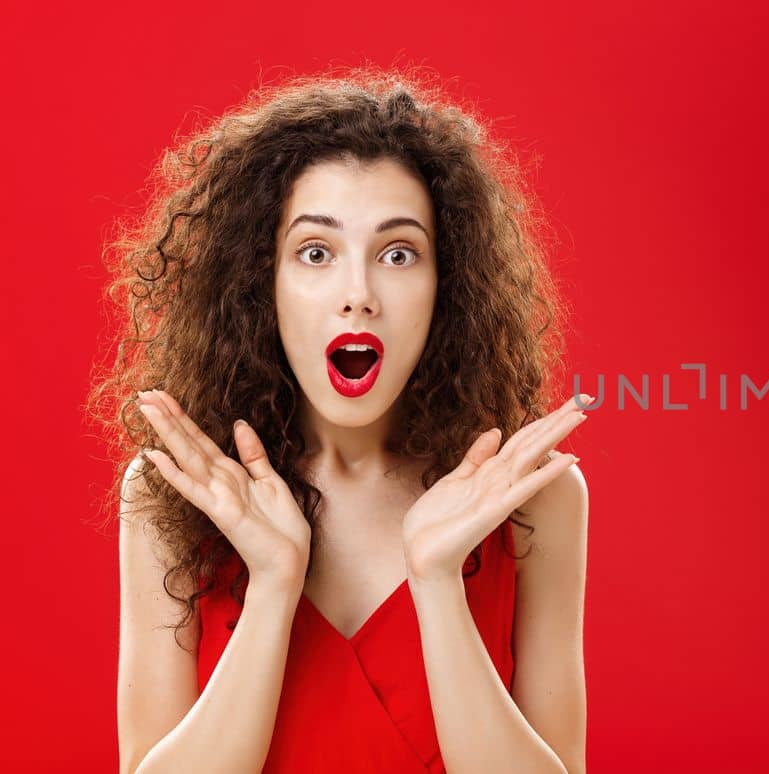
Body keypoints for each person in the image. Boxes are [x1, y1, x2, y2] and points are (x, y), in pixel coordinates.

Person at [86, 68, 590, 774]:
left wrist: (439, 583)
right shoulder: (172, 490)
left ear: (448, 287)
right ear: (262, 281)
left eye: (398, 253)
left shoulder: (535, 498)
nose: (359, 294)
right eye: (316, 253)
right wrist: (272, 584)